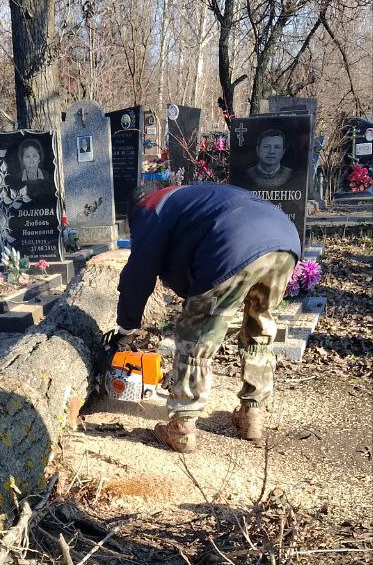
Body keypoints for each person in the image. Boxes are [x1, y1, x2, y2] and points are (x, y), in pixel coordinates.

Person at [115, 183, 300, 454]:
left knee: (196, 339)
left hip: (231, 245)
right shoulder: (190, 198)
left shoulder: (148, 208)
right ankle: (252, 413)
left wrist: (126, 326)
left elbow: (139, 273)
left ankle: (182, 428)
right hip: (284, 241)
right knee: (259, 327)